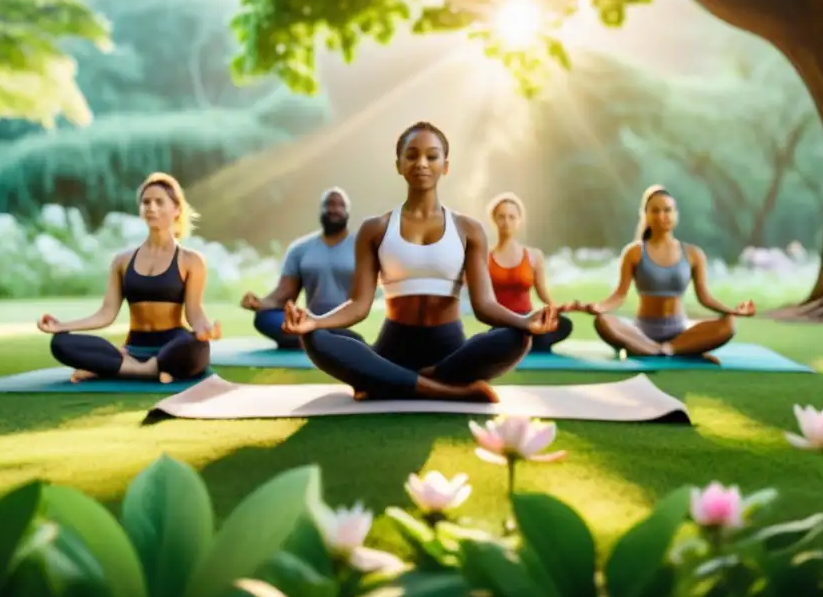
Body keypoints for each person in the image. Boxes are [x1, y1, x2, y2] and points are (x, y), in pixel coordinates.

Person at [281, 121, 561, 402]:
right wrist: (314, 321)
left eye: (432, 156)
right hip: (393, 346)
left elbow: (485, 306)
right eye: (412, 155)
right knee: (316, 338)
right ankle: (447, 391)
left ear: (445, 166)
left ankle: (392, 380)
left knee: (517, 338)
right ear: (399, 164)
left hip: (449, 353)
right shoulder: (374, 229)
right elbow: (358, 305)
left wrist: (525, 321)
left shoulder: (468, 229)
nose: (422, 163)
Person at [37, 172, 219, 383]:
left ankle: (115, 369)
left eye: (159, 202)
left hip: (172, 348)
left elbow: (194, 312)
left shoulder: (191, 260)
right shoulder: (122, 261)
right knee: (60, 343)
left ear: (177, 209)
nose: (151, 207)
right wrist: (62, 326)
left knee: (197, 347)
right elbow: (106, 313)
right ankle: (149, 371)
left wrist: (205, 329)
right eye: (146, 202)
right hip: (133, 349)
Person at [566, 184, 755, 360]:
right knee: (603, 321)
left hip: (680, 329)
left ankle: (663, 349)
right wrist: (598, 308)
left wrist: (733, 311)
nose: (662, 215)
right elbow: (619, 295)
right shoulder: (634, 252)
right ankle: (671, 348)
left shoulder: (693, 254)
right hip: (642, 331)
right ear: (646, 215)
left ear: (676, 214)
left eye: (667, 210)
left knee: (728, 325)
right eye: (655, 210)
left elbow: (705, 297)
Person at [240, 187, 365, 348]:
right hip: (308, 321)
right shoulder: (300, 248)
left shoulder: (362, 247)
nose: (334, 209)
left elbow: (365, 298)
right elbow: (283, 294)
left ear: (347, 211)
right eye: (329, 204)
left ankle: (316, 338)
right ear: (321, 209)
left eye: (340, 205)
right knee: (264, 317)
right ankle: (325, 340)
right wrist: (259, 303)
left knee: (313, 331)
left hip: (340, 321)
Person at [486, 192, 573, 353]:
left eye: (512, 217)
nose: (506, 222)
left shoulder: (534, 256)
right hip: (503, 323)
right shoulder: (485, 258)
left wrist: (557, 309)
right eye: (502, 217)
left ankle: (523, 343)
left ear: (519, 221)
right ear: (494, 220)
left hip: (529, 320)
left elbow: (543, 294)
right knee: (503, 335)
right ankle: (525, 343)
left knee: (565, 324)